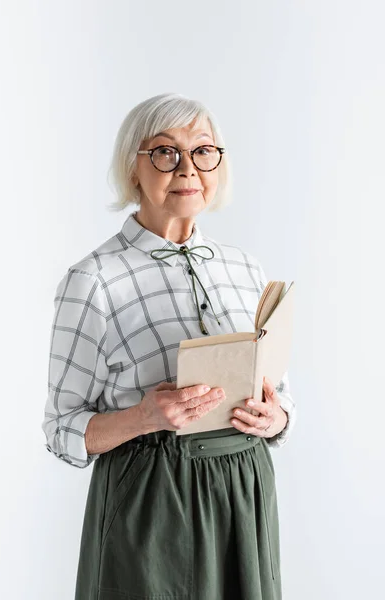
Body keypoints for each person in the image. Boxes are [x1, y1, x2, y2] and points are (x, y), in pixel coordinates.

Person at [42, 92, 297, 600]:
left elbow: (280, 389)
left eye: (203, 151)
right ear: (134, 169)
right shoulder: (93, 280)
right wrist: (144, 417)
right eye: (164, 151)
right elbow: (60, 430)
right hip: (153, 497)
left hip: (244, 489)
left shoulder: (245, 268)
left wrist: (278, 418)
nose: (187, 168)